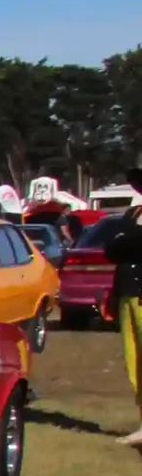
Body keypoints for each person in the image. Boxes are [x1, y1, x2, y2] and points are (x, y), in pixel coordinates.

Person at [105, 166, 142, 446]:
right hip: (127, 290)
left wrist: (126, 243)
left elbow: (125, 244)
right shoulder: (133, 215)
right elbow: (112, 249)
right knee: (133, 360)